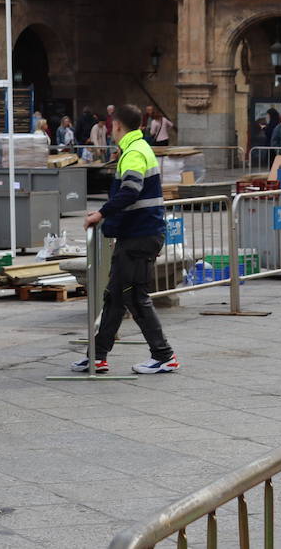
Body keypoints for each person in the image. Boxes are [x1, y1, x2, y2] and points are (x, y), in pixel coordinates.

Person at [74, 104, 179, 375]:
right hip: (139, 234)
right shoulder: (139, 148)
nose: (110, 130)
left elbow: (130, 191)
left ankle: (163, 355)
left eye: (111, 126)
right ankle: (97, 356)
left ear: (117, 126)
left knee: (133, 296)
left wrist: (101, 213)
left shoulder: (133, 153)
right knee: (117, 296)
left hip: (139, 235)